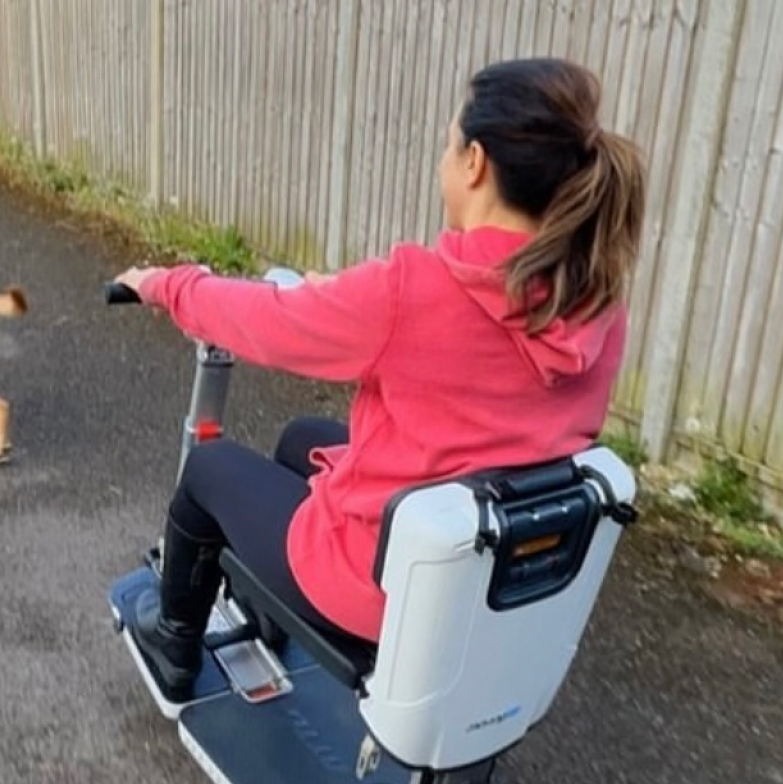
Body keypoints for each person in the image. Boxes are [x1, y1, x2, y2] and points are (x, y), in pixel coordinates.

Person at [113, 57, 647, 705]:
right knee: (301, 438)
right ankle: (271, 618)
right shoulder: (596, 300)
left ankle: (174, 643)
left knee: (211, 470)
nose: (443, 162)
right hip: (488, 569)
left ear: (475, 162)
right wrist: (336, 298)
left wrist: (166, 284)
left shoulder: (413, 289)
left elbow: (267, 322)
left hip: (381, 590)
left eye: (448, 147)